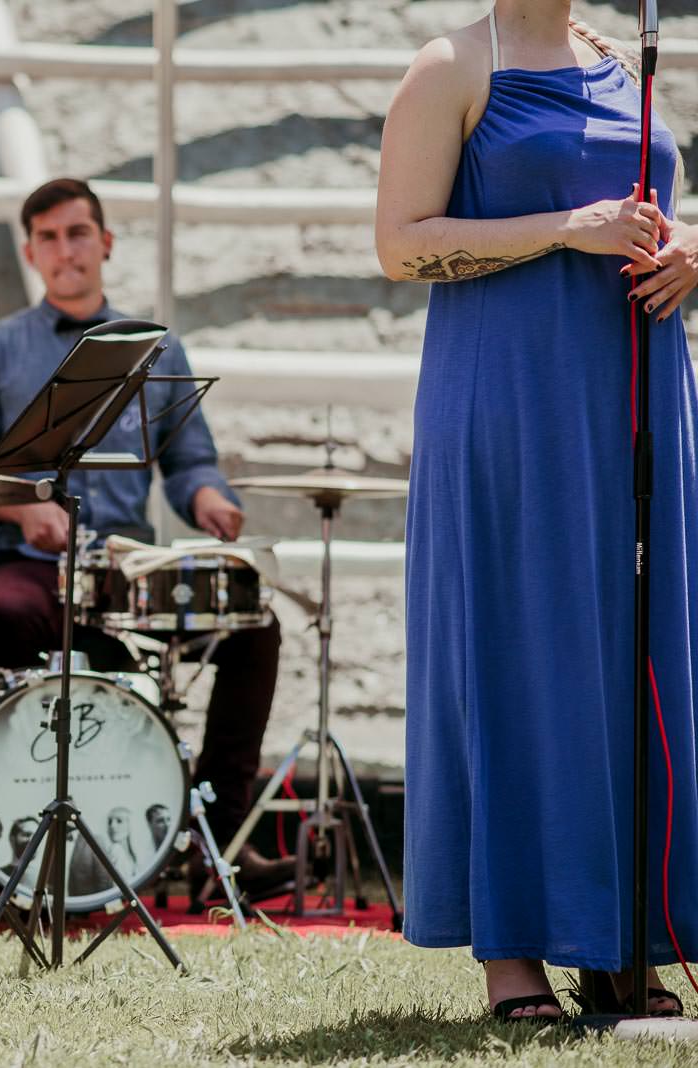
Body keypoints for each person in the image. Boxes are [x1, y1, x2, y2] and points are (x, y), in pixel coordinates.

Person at [378, 2, 697, 1021]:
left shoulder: (618, 53)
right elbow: (398, 244)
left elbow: (650, 207)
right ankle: (512, 953)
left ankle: (622, 941)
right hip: (510, 400)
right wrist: (567, 230)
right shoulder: (451, 66)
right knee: (519, 649)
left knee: (630, 650)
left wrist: (689, 253)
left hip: (634, 396)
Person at [0, 178, 295, 904]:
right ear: (31, 252)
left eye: (78, 233)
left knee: (255, 630)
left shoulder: (158, 349)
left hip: (124, 572)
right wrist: (22, 510)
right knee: (5, 613)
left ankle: (217, 846)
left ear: (105, 242)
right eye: (48, 237)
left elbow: (190, 461)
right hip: (32, 564)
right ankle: (20, 836)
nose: (65, 250)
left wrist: (209, 498)